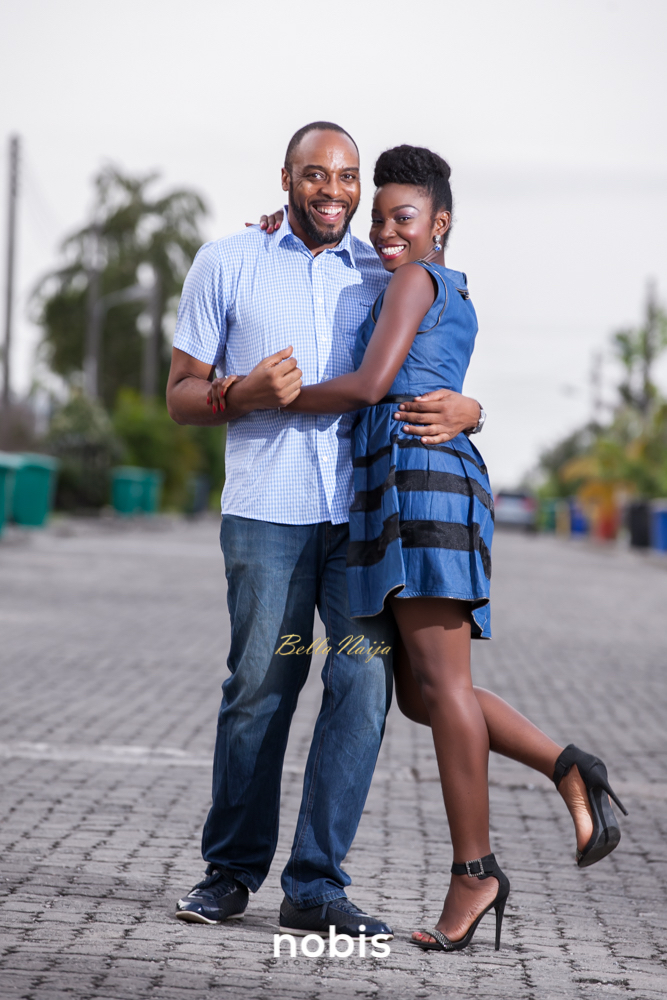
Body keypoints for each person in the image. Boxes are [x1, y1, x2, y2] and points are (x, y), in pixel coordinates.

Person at [221, 144, 629, 952]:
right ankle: (567, 767)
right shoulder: (425, 279)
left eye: (401, 218)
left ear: (440, 224)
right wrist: (279, 231)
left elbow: (375, 385)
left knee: (439, 688)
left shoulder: (412, 278)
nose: (384, 231)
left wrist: (275, 397)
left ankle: (474, 872)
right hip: (404, 489)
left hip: (419, 491)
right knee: (419, 693)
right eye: (377, 218)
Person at [166, 122, 483, 940]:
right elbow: (180, 395)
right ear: (285, 179)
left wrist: (474, 408)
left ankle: (315, 885)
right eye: (316, 175)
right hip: (267, 515)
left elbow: (431, 359)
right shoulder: (227, 262)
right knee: (260, 691)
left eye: (345, 177)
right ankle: (229, 874)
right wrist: (242, 395)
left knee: (363, 690)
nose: (334, 191)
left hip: (363, 521)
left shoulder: (384, 269)